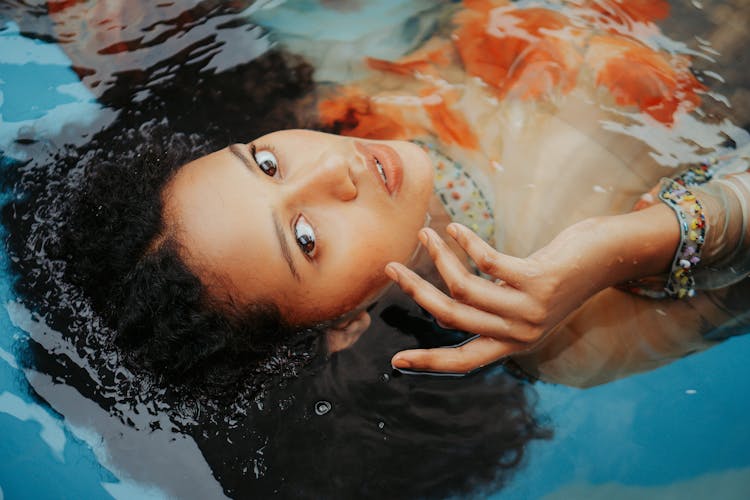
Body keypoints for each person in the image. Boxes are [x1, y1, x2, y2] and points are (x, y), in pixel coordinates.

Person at [11, 0, 749, 390]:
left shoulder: (338, 69)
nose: (333, 172)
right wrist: (632, 243)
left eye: (266, 163)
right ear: (343, 327)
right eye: (305, 240)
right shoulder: (565, 332)